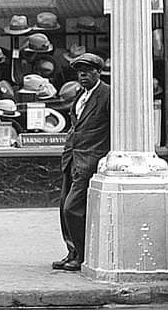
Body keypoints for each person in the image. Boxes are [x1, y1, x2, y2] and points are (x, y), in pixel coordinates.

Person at [52, 52, 110, 272]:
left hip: (91, 160)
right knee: (63, 208)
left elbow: (113, 129)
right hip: (72, 159)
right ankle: (72, 252)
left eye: (87, 71)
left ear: (98, 72)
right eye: (79, 71)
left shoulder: (107, 94)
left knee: (72, 209)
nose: (82, 75)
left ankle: (82, 255)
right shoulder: (80, 95)